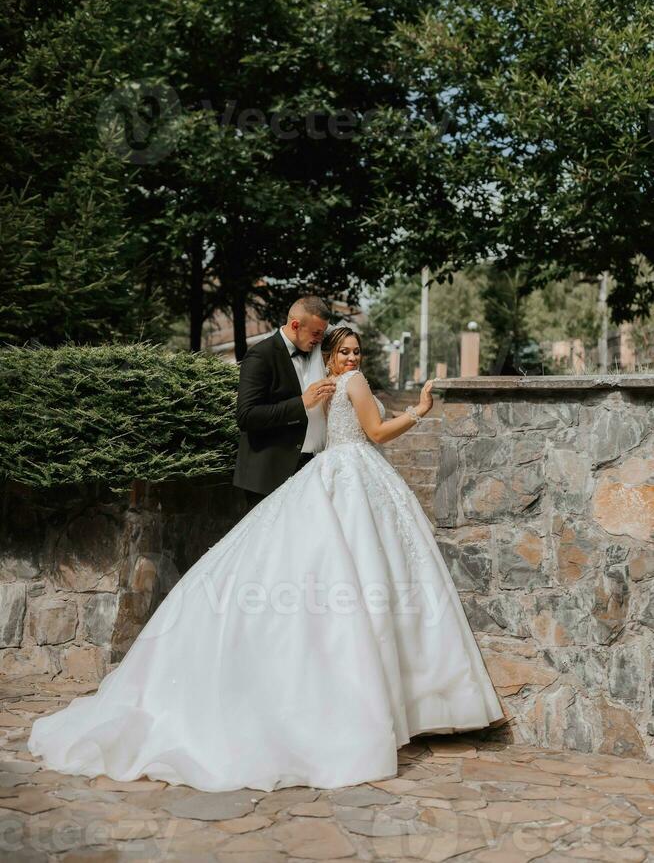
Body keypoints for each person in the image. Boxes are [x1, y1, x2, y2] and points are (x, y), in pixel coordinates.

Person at [27, 326, 504, 793]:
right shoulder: (353, 385)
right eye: (346, 353)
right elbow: (377, 432)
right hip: (355, 474)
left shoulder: (323, 388)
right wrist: (420, 412)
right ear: (332, 356)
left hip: (331, 471)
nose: (354, 360)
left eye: (358, 353)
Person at [233, 295, 335, 510]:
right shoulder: (261, 355)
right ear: (296, 325)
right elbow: (246, 416)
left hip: (310, 468)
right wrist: (301, 403)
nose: (320, 339)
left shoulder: (317, 353)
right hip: (267, 475)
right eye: (316, 333)